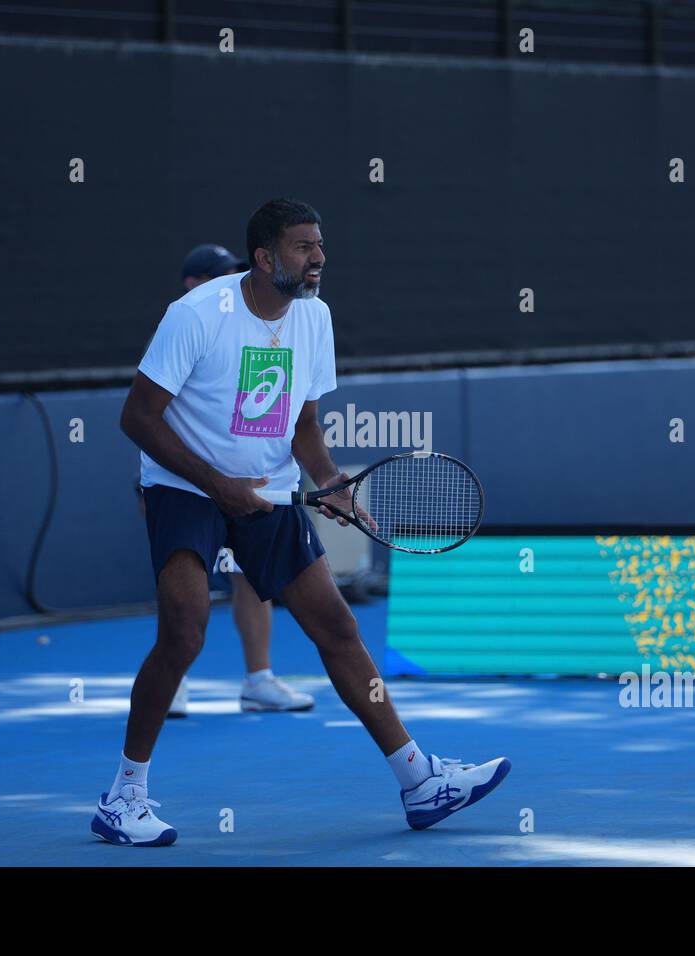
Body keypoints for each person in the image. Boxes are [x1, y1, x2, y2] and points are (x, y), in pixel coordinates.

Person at [93, 200, 509, 846]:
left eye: (320, 246)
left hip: (270, 491)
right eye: (302, 247)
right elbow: (138, 418)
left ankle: (419, 779)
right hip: (183, 487)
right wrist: (218, 486)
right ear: (264, 259)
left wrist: (333, 483)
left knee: (338, 628)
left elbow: (304, 426)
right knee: (184, 630)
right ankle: (124, 797)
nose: (317, 259)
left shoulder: (315, 319)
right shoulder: (198, 316)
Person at [158, 243, 314, 717]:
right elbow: (149, 416)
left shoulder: (267, 329)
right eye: (221, 275)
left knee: (251, 578)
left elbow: (273, 413)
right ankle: (173, 681)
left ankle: (259, 680)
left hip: (252, 486)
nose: (236, 284)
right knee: (186, 583)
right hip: (186, 485)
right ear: (194, 282)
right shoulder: (183, 324)